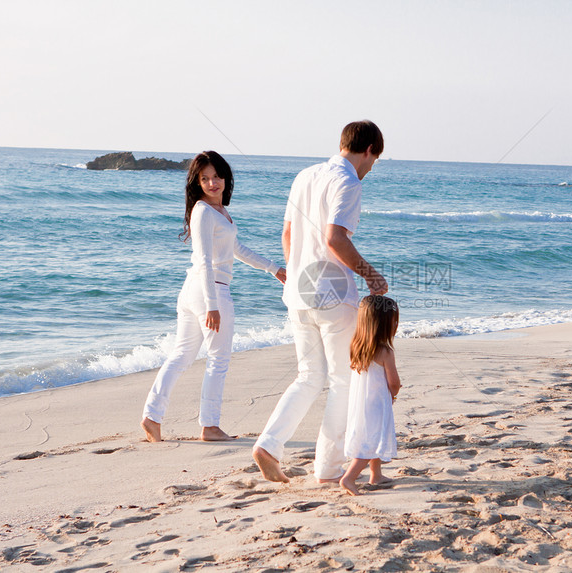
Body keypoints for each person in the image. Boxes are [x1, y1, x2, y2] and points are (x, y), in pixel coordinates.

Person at [253, 120, 388, 483]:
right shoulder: (348, 182)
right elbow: (334, 240)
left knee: (309, 377)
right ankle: (327, 468)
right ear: (369, 151)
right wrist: (371, 275)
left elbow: (287, 234)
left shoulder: (305, 176)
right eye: (376, 159)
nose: (373, 166)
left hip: (298, 290)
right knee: (344, 381)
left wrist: (297, 272)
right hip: (332, 294)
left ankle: (269, 444)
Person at [141, 151, 286, 443]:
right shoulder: (204, 211)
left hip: (195, 289)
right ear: (197, 181)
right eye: (205, 178)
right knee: (218, 360)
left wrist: (274, 269)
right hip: (211, 289)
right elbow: (206, 259)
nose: (212, 183)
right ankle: (209, 426)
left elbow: (236, 248)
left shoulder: (218, 211)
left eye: (216, 177)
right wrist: (212, 306)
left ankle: (152, 416)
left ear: (225, 178)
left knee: (182, 355)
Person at [340, 295, 401, 496]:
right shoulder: (385, 351)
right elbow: (393, 382)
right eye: (394, 321)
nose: (396, 325)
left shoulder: (357, 346)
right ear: (384, 325)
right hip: (377, 403)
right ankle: (349, 478)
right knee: (371, 441)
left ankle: (376, 474)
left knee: (372, 437)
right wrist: (393, 394)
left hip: (360, 403)